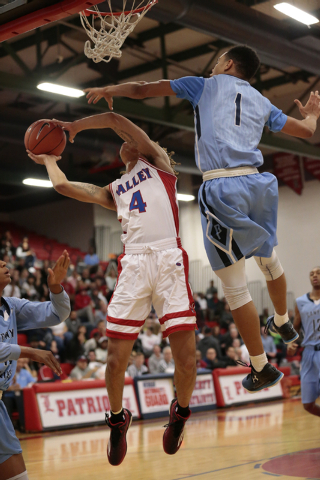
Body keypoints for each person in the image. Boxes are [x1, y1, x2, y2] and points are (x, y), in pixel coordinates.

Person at [84, 44, 320, 392]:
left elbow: (143, 89)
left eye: (217, 60)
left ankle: (261, 368)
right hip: (259, 183)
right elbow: (306, 131)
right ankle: (283, 322)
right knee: (269, 259)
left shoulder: (204, 85)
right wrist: (313, 114)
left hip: (222, 185)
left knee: (235, 286)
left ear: (226, 63)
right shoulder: (261, 101)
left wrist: (109, 90)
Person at [27, 110, 197, 465]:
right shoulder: (114, 190)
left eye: (130, 140)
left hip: (168, 259)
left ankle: (179, 414)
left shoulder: (159, 165)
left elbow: (114, 117)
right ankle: (118, 421)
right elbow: (62, 186)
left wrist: (75, 127)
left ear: (141, 147)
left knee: (187, 359)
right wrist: (48, 159)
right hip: (133, 264)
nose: (125, 142)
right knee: (115, 360)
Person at [0, 251, 71, 480]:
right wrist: (29, 351)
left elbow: (56, 314)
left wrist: (56, 288)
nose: (3, 263)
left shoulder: (10, 306)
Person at [287, 266, 320, 417]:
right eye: (312, 273)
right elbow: (295, 328)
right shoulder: (300, 301)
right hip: (308, 354)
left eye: (318, 273)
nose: (315, 275)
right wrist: (291, 343)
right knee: (308, 404)